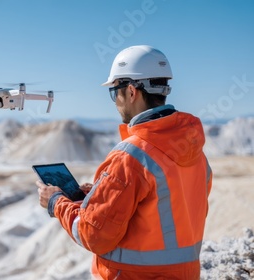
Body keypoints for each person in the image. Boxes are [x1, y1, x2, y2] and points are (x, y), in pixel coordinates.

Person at [37, 45, 212, 279]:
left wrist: (56, 202)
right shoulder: (194, 149)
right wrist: (102, 194)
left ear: (131, 91)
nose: (114, 101)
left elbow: (93, 235)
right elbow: (163, 208)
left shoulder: (131, 156)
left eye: (114, 92)